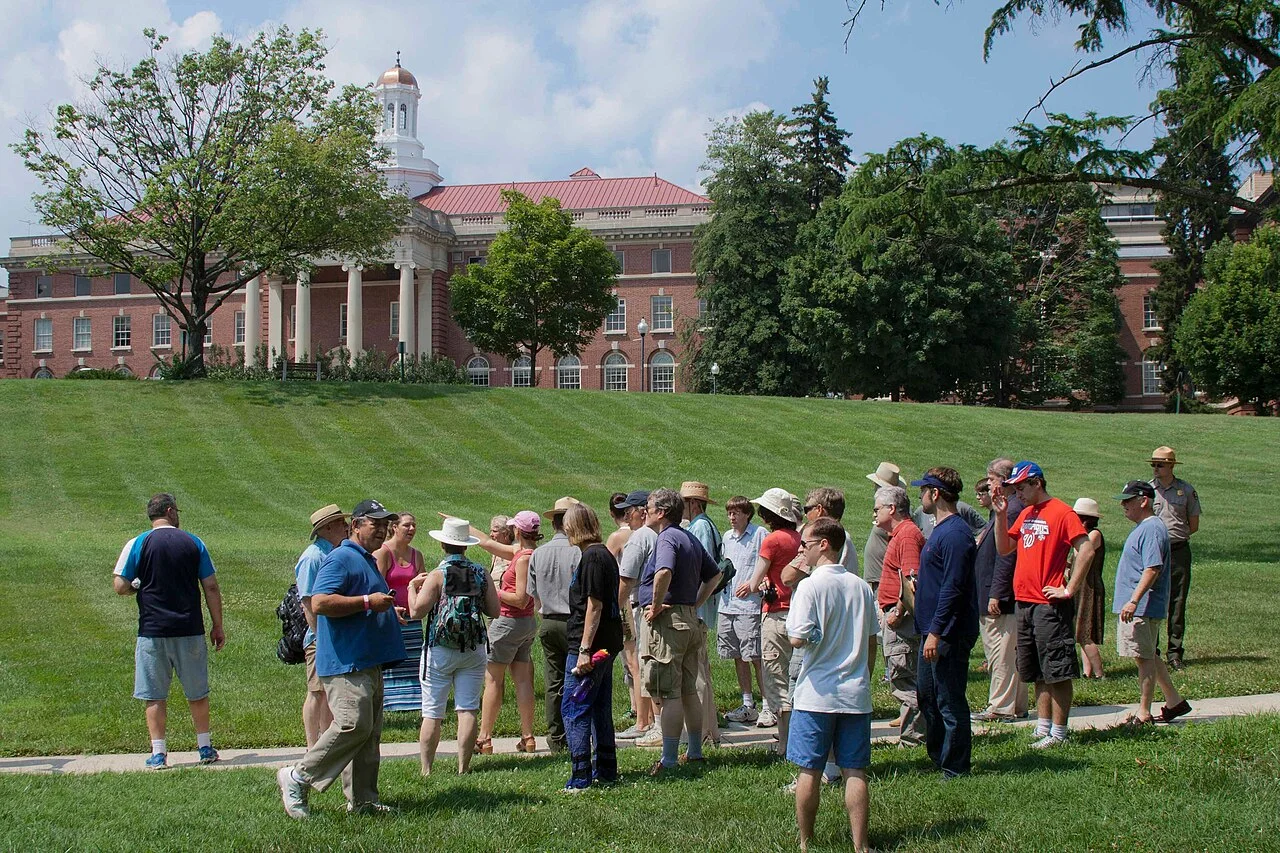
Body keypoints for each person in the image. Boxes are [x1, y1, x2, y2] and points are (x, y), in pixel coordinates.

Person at [278, 499, 407, 819]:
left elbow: (366, 602)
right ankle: (298, 776)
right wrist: (367, 602)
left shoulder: (364, 559)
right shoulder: (341, 558)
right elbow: (320, 602)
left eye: (384, 524)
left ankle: (362, 800)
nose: (381, 529)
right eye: (374, 524)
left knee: (369, 733)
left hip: (368, 657)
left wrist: (388, 610)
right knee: (353, 725)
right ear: (356, 526)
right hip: (346, 660)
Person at [113, 492, 225, 770]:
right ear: (170, 511)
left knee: (154, 694)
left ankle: (159, 753)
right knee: (197, 692)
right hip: (189, 628)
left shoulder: (137, 543)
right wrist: (218, 625)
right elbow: (210, 585)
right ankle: (205, 747)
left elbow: (120, 585)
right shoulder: (193, 542)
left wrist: (139, 585)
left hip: (152, 630)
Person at [785, 517, 878, 853]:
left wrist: (804, 634)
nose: (801, 552)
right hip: (855, 695)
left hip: (816, 695)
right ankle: (861, 845)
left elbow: (796, 638)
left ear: (824, 544)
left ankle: (806, 842)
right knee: (855, 770)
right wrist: (863, 677)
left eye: (805, 545)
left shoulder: (809, 586)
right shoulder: (861, 586)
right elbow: (871, 642)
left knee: (809, 770)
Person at [992, 461, 1095, 749]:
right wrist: (1001, 517)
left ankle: (1059, 733)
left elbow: (1086, 549)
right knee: (1035, 669)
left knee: (1057, 670)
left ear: (1037, 483)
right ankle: (1043, 725)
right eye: (1015, 489)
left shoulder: (1062, 512)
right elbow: (1004, 549)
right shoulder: (1025, 513)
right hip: (1024, 602)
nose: (1018, 494)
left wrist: (1069, 589)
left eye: (1021, 487)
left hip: (1048, 605)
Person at [639, 487, 722, 776]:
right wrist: (695, 603)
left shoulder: (667, 537)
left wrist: (655, 604)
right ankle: (695, 752)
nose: (644, 512)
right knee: (689, 690)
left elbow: (663, 572)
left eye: (648, 508)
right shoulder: (689, 537)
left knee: (669, 692)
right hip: (689, 620)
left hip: (670, 623)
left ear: (661, 513)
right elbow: (715, 574)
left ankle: (670, 759)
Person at [409, 517, 499, 775]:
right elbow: (494, 610)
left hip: (440, 648)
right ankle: (463, 767)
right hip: (473, 648)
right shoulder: (481, 572)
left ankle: (426, 769)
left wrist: (411, 587)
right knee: (468, 708)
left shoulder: (438, 575)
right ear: (466, 547)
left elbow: (417, 611)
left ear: (443, 546)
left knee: (432, 711)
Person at [912, 468, 980, 779]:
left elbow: (953, 587)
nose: (920, 496)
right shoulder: (941, 530)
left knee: (949, 699)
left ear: (935, 493)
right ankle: (939, 757)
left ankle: (956, 767)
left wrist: (936, 632)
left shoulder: (955, 534)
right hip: (932, 629)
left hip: (948, 632)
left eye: (923, 490)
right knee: (927, 696)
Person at [1112, 480, 1192, 724]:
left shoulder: (1151, 528)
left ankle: (1144, 713)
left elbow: (1152, 567)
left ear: (1143, 500)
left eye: (1128, 500)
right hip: (1140, 607)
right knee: (1149, 654)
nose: (1123, 505)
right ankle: (1174, 701)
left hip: (1142, 607)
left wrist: (1133, 601)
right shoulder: (1146, 527)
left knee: (1144, 658)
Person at [561, 503, 624, 791]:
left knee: (574, 706)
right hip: (605, 645)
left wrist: (584, 649)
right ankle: (606, 769)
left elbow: (595, 605)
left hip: (592, 649)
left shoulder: (594, 558)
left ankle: (580, 775)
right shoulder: (600, 555)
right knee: (599, 706)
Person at [738, 488, 803, 750]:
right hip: (798, 613)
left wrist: (752, 584)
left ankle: (786, 743)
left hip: (775, 614)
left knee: (777, 678)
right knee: (796, 676)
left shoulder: (772, 540)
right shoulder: (798, 537)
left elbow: (755, 581)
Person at [472, 510, 540, 754]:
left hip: (509, 623)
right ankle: (528, 736)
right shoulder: (528, 552)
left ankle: (484, 738)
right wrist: (462, 527)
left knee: (492, 680)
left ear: (518, 531)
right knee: (522, 679)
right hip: (526, 625)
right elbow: (488, 543)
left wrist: (491, 591)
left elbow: (521, 599)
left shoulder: (522, 559)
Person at [973, 457, 1027, 723]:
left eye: (992, 479)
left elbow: (1007, 556)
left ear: (1005, 481)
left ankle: (1000, 706)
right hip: (995, 591)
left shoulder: (1012, 509)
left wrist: (997, 592)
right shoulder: (1004, 508)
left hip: (1000, 596)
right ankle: (1016, 703)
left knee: (1000, 652)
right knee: (1007, 650)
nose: (989, 484)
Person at [527, 496, 583, 753]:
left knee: (553, 682)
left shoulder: (539, 553)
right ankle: (578, 732)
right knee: (580, 679)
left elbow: (532, 592)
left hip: (548, 621)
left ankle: (556, 737)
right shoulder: (579, 552)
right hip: (574, 621)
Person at [873, 485, 927, 746]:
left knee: (904, 680)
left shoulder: (906, 536)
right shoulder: (901, 534)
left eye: (877, 508)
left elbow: (911, 580)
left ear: (892, 509)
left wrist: (897, 611)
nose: (874, 513)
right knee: (903, 678)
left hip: (902, 623)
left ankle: (915, 739)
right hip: (897, 618)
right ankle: (913, 737)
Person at [296, 504, 347, 747]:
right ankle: (311, 746)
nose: (346, 526)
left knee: (328, 692)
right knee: (316, 692)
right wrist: (320, 636)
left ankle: (326, 743)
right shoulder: (313, 556)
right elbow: (308, 603)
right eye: (340, 523)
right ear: (327, 528)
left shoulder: (332, 553)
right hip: (319, 638)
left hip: (333, 635)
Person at [1148, 446, 1201, 670]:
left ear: (1171, 466)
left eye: (1160, 464)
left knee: (1177, 602)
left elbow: (1194, 524)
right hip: (1156, 551)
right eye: (1153, 464)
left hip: (1179, 550)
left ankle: (1175, 652)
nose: (1156, 468)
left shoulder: (1186, 490)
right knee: (1153, 599)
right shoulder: (1149, 490)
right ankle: (1153, 650)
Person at [719, 496, 768, 724]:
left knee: (756, 656)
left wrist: (753, 585)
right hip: (727, 605)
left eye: (736, 513)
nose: (732, 518)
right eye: (729, 513)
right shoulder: (727, 537)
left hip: (749, 606)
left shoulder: (759, 535)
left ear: (747, 514)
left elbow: (767, 565)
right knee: (737, 656)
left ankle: (768, 705)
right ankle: (748, 704)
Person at [614, 490, 658, 743]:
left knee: (638, 663)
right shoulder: (656, 534)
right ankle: (650, 720)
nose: (625, 516)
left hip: (637, 606)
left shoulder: (640, 537)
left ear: (642, 511)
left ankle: (643, 722)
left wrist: (614, 609)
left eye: (629, 511)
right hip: (647, 604)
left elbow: (626, 579)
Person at [681, 480, 722, 745]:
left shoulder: (700, 527)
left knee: (697, 672)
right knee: (701, 670)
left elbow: (702, 570)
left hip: (699, 607)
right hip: (702, 607)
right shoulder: (702, 526)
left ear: (693, 503)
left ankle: (702, 731)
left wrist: (692, 602)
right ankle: (709, 730)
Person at [375, 512, 425, 713]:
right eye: (407, 525)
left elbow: (422, 584)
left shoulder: (417, 555)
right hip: (390, 616)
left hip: (412, 618)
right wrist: (388, 608)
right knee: (392, 660)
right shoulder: (383, 553)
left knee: (413, 659)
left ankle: (414, 701)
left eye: (414, 525)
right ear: (394, 527)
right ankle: (390, 703)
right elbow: (376, 585)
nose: (411, 529)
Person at [1071, 498, 1107, 679]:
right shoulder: (1082, 536)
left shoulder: (1094, 535)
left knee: (1085, 633)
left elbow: (1081, 554)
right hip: (1080, 587)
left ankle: (1100, 674)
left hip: (1089, 587)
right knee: (1080, 634)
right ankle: (1087, 672)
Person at [487, 515, 513, 584]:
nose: (491, 535)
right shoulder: (496, 551)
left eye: (494, 531)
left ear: (506, 533)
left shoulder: (514, 553)